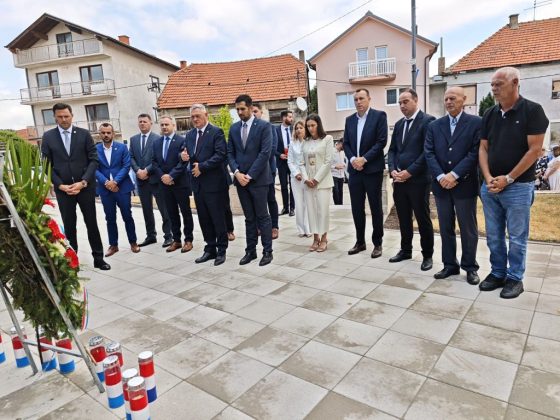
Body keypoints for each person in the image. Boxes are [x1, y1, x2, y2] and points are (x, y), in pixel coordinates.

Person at [479, 67, 549, 298]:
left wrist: (508, 179)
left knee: (517, 237)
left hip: (518, 187)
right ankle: (497, 273)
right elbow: (483, 147)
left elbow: (534, 150)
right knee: (494, 235)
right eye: (492, 84)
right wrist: (488, 178)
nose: (494, 88)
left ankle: (515, 278)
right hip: (490, 186)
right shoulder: (490, 113)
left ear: (515, 83)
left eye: (499, 84)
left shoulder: (532, 111)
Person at [40, 103, 110, 270]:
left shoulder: (84, 134)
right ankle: (72, 261)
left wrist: (83, 182)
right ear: (55, 117)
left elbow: (94, 160)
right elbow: (46, 164)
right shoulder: (48, 137)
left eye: (66, 116)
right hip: (64, 190)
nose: (64, 119)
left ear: (72, 116)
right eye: (60, 117)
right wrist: (60, 185)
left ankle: (98, 258)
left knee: (91, 223)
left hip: (85, 187)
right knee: (69, 226)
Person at [425, 86, 481, 285]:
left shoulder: (476, 123)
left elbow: (475, 152)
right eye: (446, 98)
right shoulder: (434, 125)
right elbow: (429, 153)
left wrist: (454, 174)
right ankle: (450, 264)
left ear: (464, 99)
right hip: (441, 187)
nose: (448, 102)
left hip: (464, 185)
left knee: (468, 229)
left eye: (453, 98)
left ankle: (470, 267)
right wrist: (441, 176)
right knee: (445, 228)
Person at [387, 88, 435, 271]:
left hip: (418, 180)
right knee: (403, 217)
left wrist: (410, 172)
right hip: (399, 180)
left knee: (422, 218)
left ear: (416, 100)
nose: (402, 105)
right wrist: (392, 169)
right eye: (400, 102)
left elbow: (427, 151)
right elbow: (392, 150)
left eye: (405, 101)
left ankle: (427, 255)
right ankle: (405, 250)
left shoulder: (428, 121)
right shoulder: (399, 124)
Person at [227, 94, 273, 266]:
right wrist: (237, 173)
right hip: (240, 180)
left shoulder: (264, 126)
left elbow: (265, 153)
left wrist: (250, 175)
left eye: (242, 109)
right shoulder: (234, 128)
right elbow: (230, 153)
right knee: (249, 218)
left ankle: (267, 251)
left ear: (251, 108)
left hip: (258, 180)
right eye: (237, 109)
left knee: (263, 216)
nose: (240, 112)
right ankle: (250, 251)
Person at [181, 104, 229, 266]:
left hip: (214, 184)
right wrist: (183, 156)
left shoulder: (216, 132)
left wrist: (202, 166)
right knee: (204, 218)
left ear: (206, 115)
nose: (195, 119)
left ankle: (221, 249)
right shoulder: (189, 135)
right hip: (197, 184)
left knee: (217, 217)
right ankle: (210, 248)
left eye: (198, 116)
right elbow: (187, 153)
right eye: (193, 117)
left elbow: (221, 154)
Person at [343, 88, 387, 258]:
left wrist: (364, 159)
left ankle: (377, 243)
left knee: (375, 207)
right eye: (356, 99)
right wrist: (353, 159)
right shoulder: (349, 120)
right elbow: (346, 143)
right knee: (356, 208)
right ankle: (360, 242)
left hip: (372, 170)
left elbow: (381, 142)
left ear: (369, 99)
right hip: (355, 171)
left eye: (361, 98)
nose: (358, 102)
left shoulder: (379, 116)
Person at [95, 123, 140, 257]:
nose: (106, 135)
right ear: (99, 134)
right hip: (105, 189)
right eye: (103, 133)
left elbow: (126, 166)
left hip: (122, 187)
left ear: (113, 133)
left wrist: (115, 182)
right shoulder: (95, 149)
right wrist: (106, 182)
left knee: (127, 216)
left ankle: (133, 242)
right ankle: (113, 245)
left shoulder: (122, 147)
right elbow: (94, 169)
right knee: (110, 218)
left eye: (108, 132)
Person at [129, 113, 173, 248]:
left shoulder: (158, 139)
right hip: (141, 181)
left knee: (163, 209)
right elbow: (131, 157)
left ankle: (168, 236)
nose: (142, 123)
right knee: (146, 210)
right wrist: (138, 171)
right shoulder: (133, 139)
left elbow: (158, 159)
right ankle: (151, 236)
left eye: (145, 121)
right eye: (140, 121)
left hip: (155, 180)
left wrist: (146, 171)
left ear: (151, 123)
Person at [151, 116, 194, 253]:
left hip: (180, 183)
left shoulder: (182, 141)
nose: (164, 127)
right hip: (164, 184)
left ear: (173, 126)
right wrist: (163, 177)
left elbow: (183, 162)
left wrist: (171, 176)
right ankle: (176, 240)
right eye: (162, 125)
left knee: (186, 212)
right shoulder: (156, 143)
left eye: (167, 124)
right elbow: (154, 162)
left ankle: (188, 240)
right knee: (171, 213)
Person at [301, 114, 334, 252]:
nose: (310, 128)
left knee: (322, 211)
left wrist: (316, 179)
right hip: (308, 182)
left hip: (322, 182)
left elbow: (328, 161)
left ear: (318, 125)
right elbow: (301, 163)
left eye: (313, 125)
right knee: (311, 210)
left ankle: (324, 238)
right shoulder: (305, 142)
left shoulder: (327, 139)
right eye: (308, 126)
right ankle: (315, 238)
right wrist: (306, 179)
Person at [252, 103, 280, 239]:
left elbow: (272, 149)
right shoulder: (248, 130)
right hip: (253, 172)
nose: (253, 114)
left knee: (270, 199)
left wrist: (257, 162)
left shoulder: (269, 127)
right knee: (257, 200)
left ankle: (274, 227)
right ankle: (259, 226)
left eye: (256, 111)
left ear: (261, 112)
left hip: (268, 170)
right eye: (252, 111)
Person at [287, 120, 311, 237]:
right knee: (299, 203)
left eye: (301, 127)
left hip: (308, 177)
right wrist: (296, 173)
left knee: (308, 202)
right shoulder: (292, 144)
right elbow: (290, 161)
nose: (298, 130)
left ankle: (308, 228)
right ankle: (301, 229)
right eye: (296, 128)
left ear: (305, 129)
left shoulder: (309, 142)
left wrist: (307, 174)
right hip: (296, 178)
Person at [275, 110, 295, 216]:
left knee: (293, 185)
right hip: (281, 162)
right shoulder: (275, 130)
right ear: (283, 118)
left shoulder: (294, 129)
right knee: (283, 186)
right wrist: (279, 155)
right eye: (289, 117)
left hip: (293, 162)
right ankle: (285, 208)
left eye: (292, 117)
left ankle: (292, 208)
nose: (291, 119)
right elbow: (272, 147)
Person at [331, 140, 345, 205]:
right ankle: (337, 205)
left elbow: (343, 162)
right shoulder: (332, 152)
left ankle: (341, 205)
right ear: (339, 144)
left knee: (340, 192)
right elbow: (328, 164)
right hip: (334, 175)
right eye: (343, 145)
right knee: (336, 191)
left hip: (341, 175)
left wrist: (344, 165)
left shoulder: (342, 152)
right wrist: (335, 167)